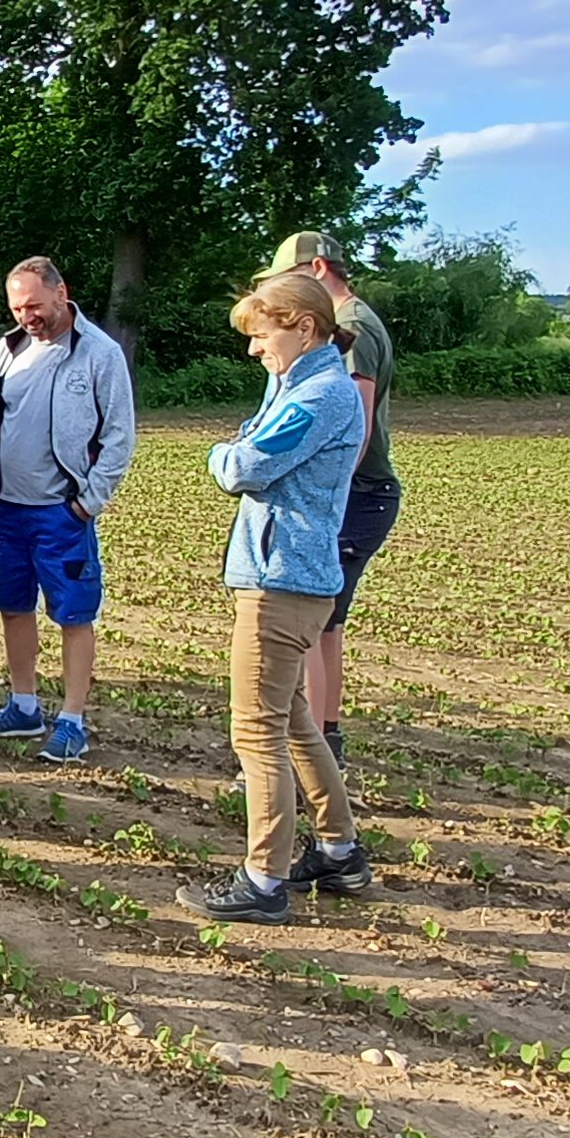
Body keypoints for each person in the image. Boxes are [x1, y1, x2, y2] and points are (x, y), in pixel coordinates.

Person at [181, 272, 369, 925]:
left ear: (304, 327)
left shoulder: (318, 396)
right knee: (293, 723)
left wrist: (221, 450)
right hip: (298, 580)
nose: (254, 350)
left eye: (263, 336)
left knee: (256, 731)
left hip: (279, 584)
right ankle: (340, 850)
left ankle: (263, 879)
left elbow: (243, 466)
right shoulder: (310, 387)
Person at [0, 256, 137, 764]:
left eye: (35, 305)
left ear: (61, 291)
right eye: (18, 307)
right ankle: (23, 705)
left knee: (73, 613)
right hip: (6, 508)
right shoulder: (9, 348)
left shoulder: (100, 354)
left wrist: (87, 505)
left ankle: (72, 719)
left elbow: (118, 437)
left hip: (61, 514)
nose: (28, 316)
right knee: (13, 606)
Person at [264, 231, 398, 766]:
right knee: (326, 622)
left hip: (356, 493)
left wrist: (329, 498)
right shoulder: (356, 320)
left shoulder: (352, 327)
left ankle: (312, 746)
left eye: (283, 280)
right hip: (364, 491)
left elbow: (356, 419)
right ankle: (323, 738)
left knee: (312, 623)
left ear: (316, 268)